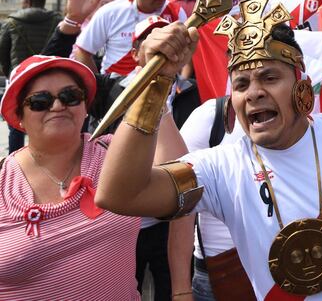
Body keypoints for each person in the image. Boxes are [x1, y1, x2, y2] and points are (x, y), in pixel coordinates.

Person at [95, 0, 322, 300]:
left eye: (269, 78)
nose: (253, 93)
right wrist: (156, 86)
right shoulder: (219, 168)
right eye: (241, 83)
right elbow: (119, 194)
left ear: (301, 87)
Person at [0, 52, 191, 300]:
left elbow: (180, 176)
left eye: (70, 96)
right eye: (40, 101)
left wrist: (156, 80)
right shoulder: (3, 182)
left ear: (85, 106)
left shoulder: (113, 153)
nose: (58, 106)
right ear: (19, 118)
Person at [180, 97, 255, 301]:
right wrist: (181, 289)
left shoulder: (313, 118)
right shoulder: (210, 117)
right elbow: (181, 209)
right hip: (220, 273)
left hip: (291, 268)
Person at [74, 0, 183, 76]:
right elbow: (82, 51)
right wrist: (98, 86)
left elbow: (187, 55)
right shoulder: (110, 12)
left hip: (162, 88)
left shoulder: (176, 12)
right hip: (117, 89)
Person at [0, 0, 61, 153]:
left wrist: (9, 72)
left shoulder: (11, 23)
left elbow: (3, 52)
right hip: (50, 77)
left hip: (20, 77)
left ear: (27, 2)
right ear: (43, 2)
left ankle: (16, 159)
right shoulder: (57, 21)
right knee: (50, 116)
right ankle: (49, 154)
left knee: (17, 119)